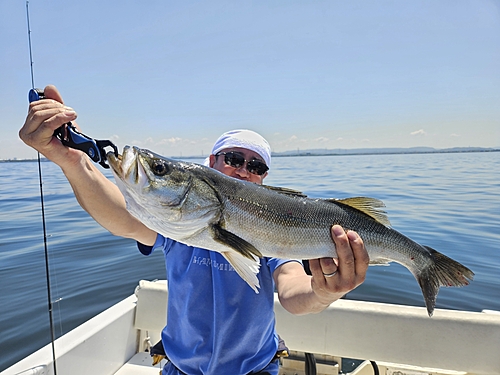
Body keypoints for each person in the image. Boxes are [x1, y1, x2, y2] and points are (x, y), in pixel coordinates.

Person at [20, 85, 370, 375]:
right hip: (180, 369)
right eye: (233, 159)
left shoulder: (273, 230)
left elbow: (293, 290)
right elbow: (120, 216)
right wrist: (73, 160)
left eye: (256, 165)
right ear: (211, 164)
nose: (244, 170)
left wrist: (324, 292)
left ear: (264, 177)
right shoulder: (175, 228)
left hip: (257, 369)